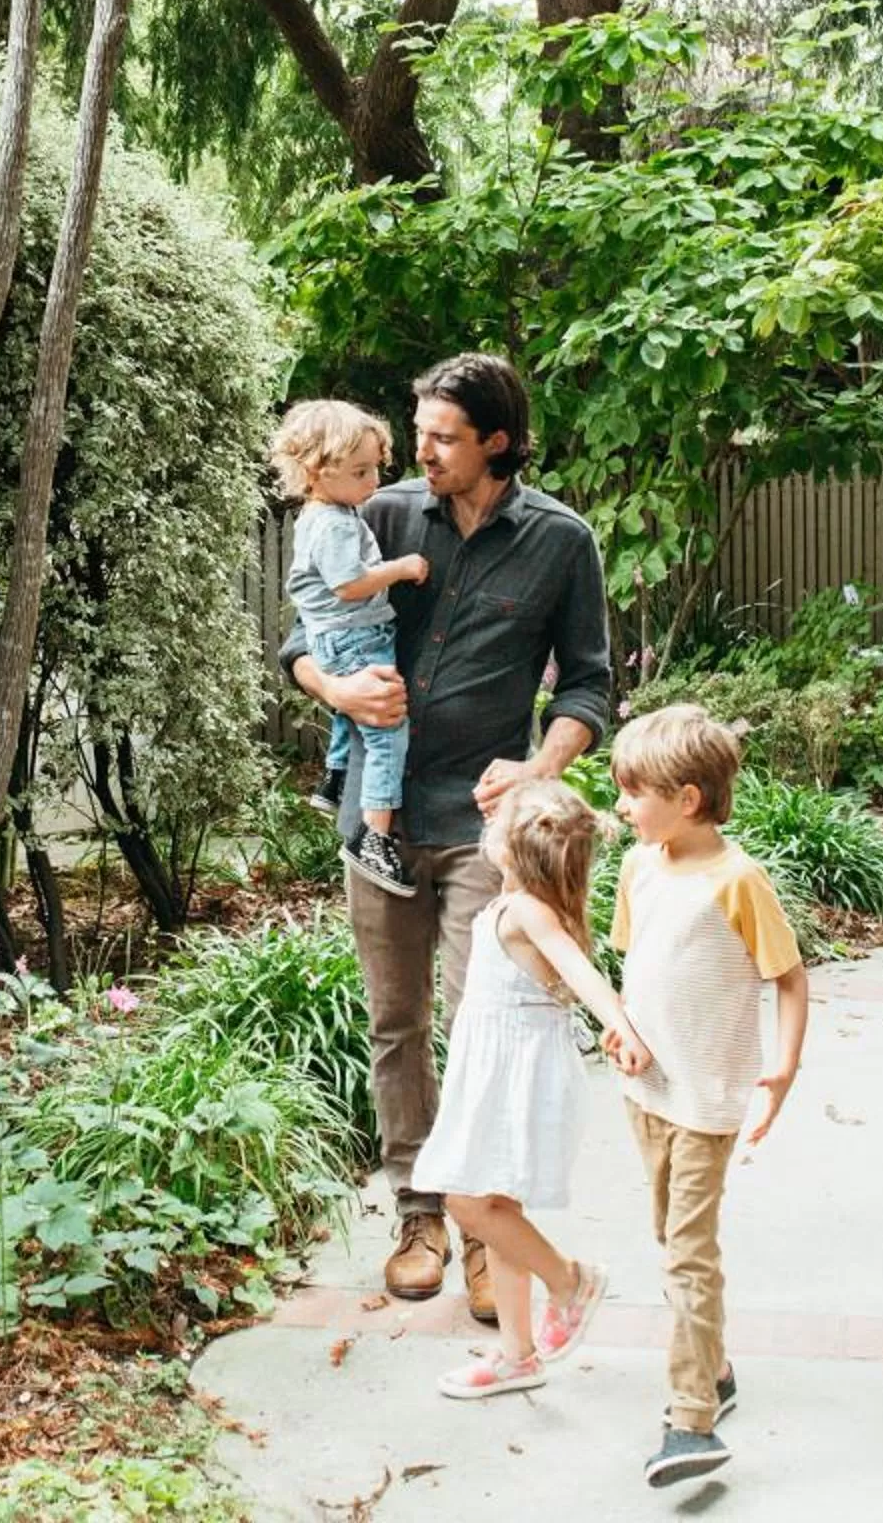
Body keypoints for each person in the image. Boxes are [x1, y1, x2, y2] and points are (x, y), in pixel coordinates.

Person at [277, 353, 613, 1324]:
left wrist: (542, 769)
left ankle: (482, 1230)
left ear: (496, 442)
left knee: (476, 1026)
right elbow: (298, 635)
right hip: (376, 818)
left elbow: (590, 681)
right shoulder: (373, 515)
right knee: (396, 1024)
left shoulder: (560, 541)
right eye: (417, 431)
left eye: (442, 436)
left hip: (483, 825)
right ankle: (418, 1212)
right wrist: (335, 688)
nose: (419, 449)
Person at [605, 702, 812, 1488]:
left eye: (634, 791)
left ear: (686, 799)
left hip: (708, 1100)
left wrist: (784, 1067)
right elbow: (637, 972)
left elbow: (789, 978)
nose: (621, 805)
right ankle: (717, 1368)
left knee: (689, 1254)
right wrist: (617, 1029)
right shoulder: (638, 867)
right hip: (646, 1093)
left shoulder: (738, 881)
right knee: (668, 1235)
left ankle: (690, 1420)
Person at [414, 780, 651, 1399]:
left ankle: (569, 1281)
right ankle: (518, 1355)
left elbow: (581, 971)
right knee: (497, 1208)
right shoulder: (516, 905)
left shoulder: (528, 912)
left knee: (467, 1201)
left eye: (498, 821)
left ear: (516, 849)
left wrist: (619, 1023)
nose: (485, 822)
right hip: (499, 1069)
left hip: (514, 1077)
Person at [267, 400, 427, 896]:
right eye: (360, 471)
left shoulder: (325, 512)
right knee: (386, 732)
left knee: (349, 712)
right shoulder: (335, 522)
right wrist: (402, 568)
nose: (373, 482)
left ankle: (335, 779)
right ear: (316, 471)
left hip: (335, 637)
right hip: (353, 632)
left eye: (376, 467)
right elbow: (349, 584)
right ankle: (373, 839)